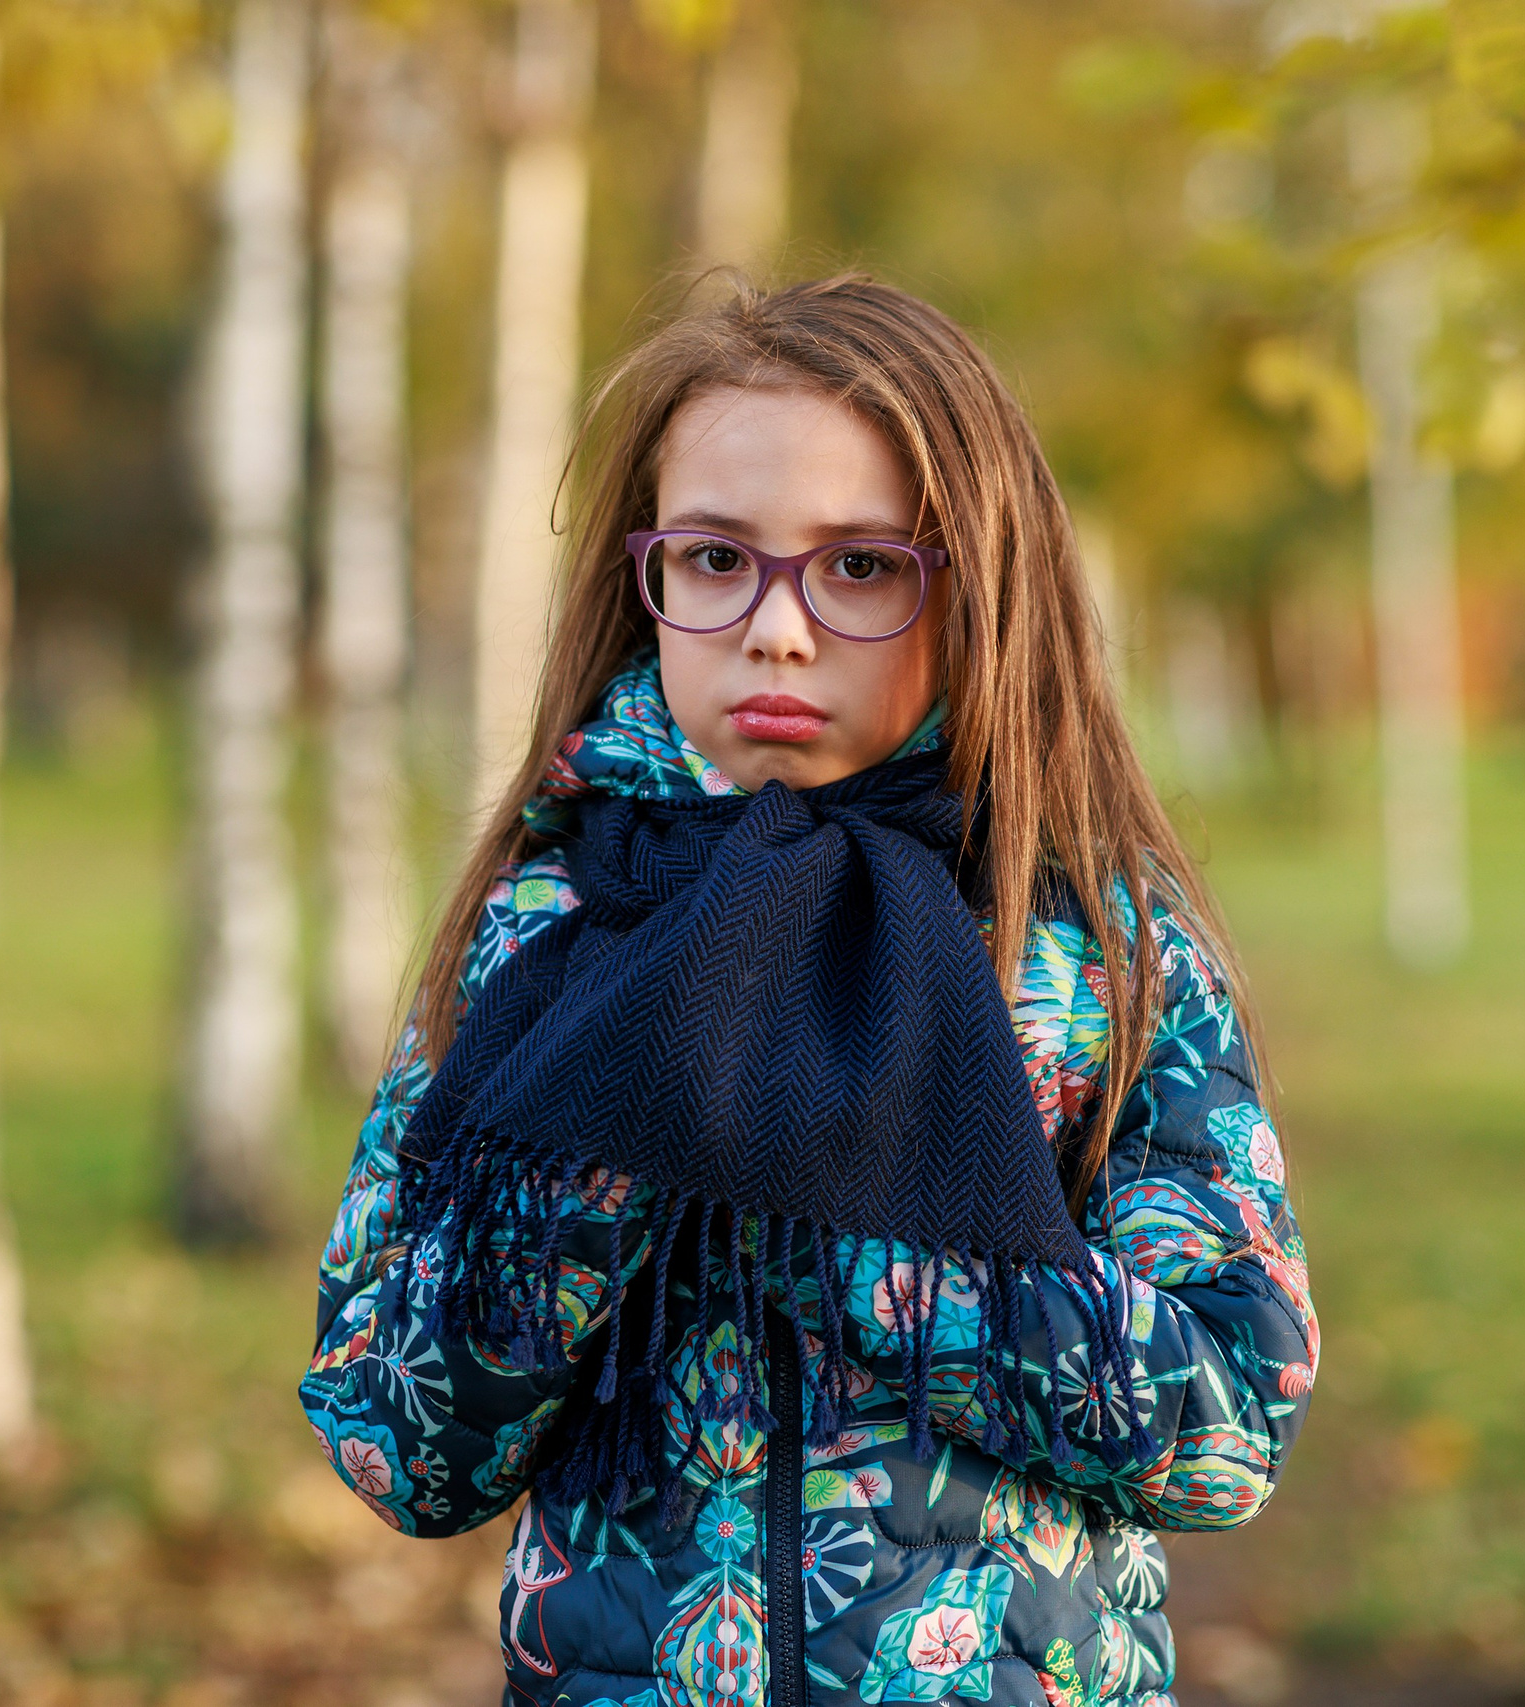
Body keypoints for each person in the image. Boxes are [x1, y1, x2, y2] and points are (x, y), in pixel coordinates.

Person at [301, 276, 1316, 1707]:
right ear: (641, 577)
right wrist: (606, 1158)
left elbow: (1229, 1423)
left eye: (858, 567)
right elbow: (391, 1438)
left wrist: (857, 1231)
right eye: (717, 559)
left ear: (976, 580)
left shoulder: (1087, 940)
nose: (776, 628)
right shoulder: (549, 923)